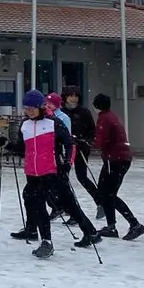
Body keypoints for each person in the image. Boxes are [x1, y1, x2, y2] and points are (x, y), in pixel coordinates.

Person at [4, 90, 91, 259]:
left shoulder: (53, 123)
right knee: (54, 202)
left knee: (50, 203)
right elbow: (23, 149)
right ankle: (89, 232)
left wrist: (68, 163)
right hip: (32, 172)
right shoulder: (25, 125)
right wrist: (8, 145)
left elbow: (70, 143)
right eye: (26, 108)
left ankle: (46, 241)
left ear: (41, 107)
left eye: (32, 108)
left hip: (51, 170)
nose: (29, 111)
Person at [91, 93, 144, 241]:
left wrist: (86, 143)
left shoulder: (104, 119)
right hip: (120, 158)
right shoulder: (111, 116)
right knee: (106, 193)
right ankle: (112, 226)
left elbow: (99, 141)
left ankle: (134, 224)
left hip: (114, 159)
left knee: (108, 194)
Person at [57, 87, 104, 216]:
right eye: (71, 95)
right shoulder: (61, 113)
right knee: (62, 178)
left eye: (76, 96)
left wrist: (85, 141)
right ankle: (66, 207)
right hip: (65, 149)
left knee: (82, 177)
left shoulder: (84, 112)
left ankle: (100, 202)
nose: (74, 98)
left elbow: (92, 131)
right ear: (65, 97)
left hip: (81, 148)